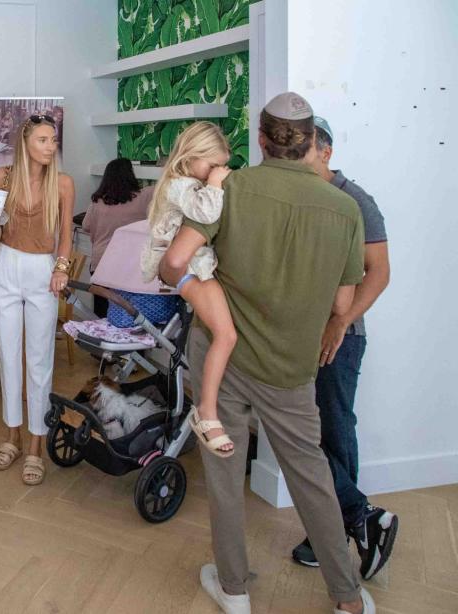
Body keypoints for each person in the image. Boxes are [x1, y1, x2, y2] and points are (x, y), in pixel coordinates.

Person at [160, 93, 374, 614]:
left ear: (262, 139)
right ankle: (347, 597)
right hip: (293, 366)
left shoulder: (233, 188)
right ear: (311, 144)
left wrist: (197, 293)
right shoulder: (346, 209)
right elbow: (344, 301)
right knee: (314, 479)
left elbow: (172, 264)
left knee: (226, 477)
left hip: (224, 360)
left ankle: (234, 590)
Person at [290, 116, 396, 578]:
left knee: (333, 431)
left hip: (339, 340)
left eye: (305, 149)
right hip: (295, 337)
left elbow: (380, 271)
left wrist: (341, 321)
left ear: (326, 152)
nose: (295, 158)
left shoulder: (356, 200)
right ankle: (353, 522)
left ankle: (338, 529)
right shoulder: (296, 196)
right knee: (303, 436)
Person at [0, 114, 74, 486]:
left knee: (40, 360)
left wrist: (62, 267)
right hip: (5, 265)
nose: (51, 146)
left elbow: (66, 234)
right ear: (25, 143)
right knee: (9, 355)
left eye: (53, 140)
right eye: (43, 140)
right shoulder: (2, 177)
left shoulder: (64, 184)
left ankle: (36, 444)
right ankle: (12, 436)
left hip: (42, 270)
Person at [141, 122, 236, 457]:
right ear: (193, 156)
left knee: (224, 335)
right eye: (211, 165)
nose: (214, 172)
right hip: (189, 270)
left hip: (191, 269)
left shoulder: (178, 182)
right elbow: (207, 211)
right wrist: (216, 184)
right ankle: (206, 411)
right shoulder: (182, 185)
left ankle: (206, 408)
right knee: (226, 336)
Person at [82, 157, 152, 317]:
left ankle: (98, 339)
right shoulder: (143, 197)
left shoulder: (97, 201)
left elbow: (86, 226)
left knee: (101, 312)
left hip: (100, 264)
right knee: (126, 312)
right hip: (129, 266)